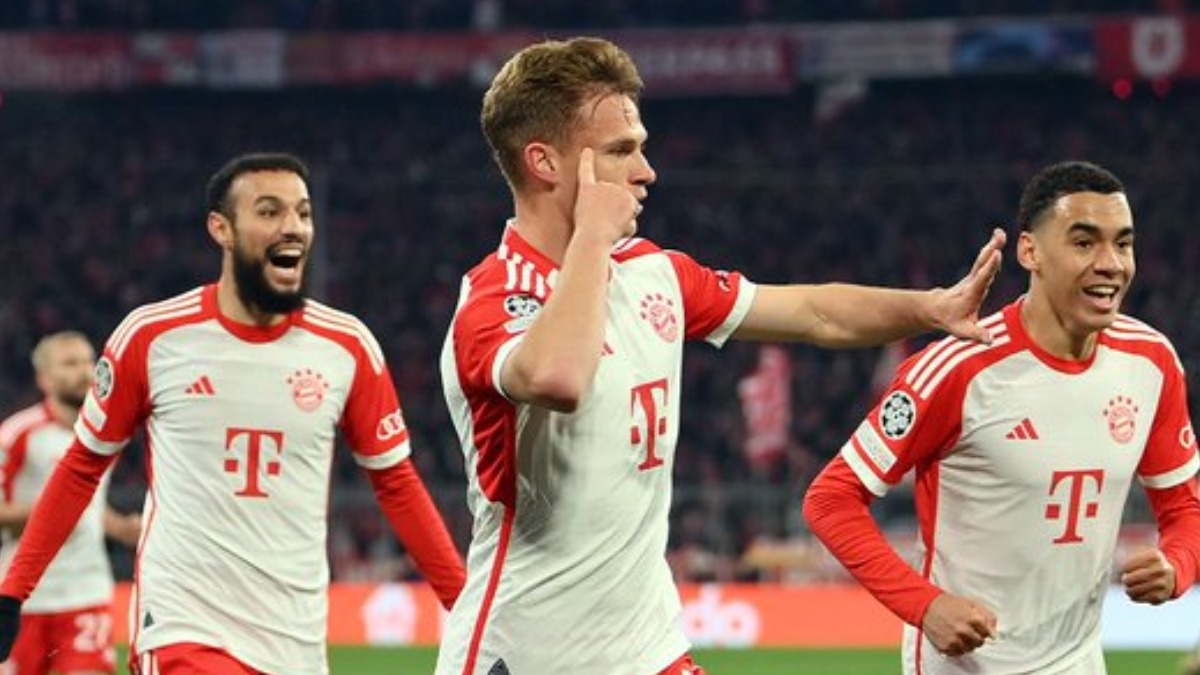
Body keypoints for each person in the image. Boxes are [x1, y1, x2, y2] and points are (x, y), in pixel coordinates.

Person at [435, 36, 1006, 675]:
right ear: (545, 163)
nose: (646, 170)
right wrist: (593, 235)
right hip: (528, 654)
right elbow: (560, 376)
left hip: (648, 650)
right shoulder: (494, 299)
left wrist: (931, 309)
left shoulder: (656, 275)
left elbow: (813, 313)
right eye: (622, 152)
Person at [0, 153, 466, 675]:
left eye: (303, 213)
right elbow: (82, 467)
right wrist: (13, 590)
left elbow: (396, 483)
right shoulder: (154, 338)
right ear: (221, 228)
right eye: (269, 211)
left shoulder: (346, 347)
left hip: (296, 639)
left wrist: (466, 606)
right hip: (184, 626)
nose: (292, 227)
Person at [803, 160, 1200, 674]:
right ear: (1029, 251)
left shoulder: (1152, 362)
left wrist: (1176, 567)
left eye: (1122, 244)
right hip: (964, 666)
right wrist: (925, 606)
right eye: (1084, 243)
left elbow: (1184, 509)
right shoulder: (958, 370)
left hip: (1079, 660)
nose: (1111, 263)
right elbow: (830, 500)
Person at [0, 331, 142, 675]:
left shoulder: (103, 434)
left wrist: (121, 529)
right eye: (69, 364)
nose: (84, 372)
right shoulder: (19, 434)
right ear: (43, 378)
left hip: (86, 590)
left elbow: (89, 504)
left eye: (88, 361)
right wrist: (49, 513)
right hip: (26, 597)